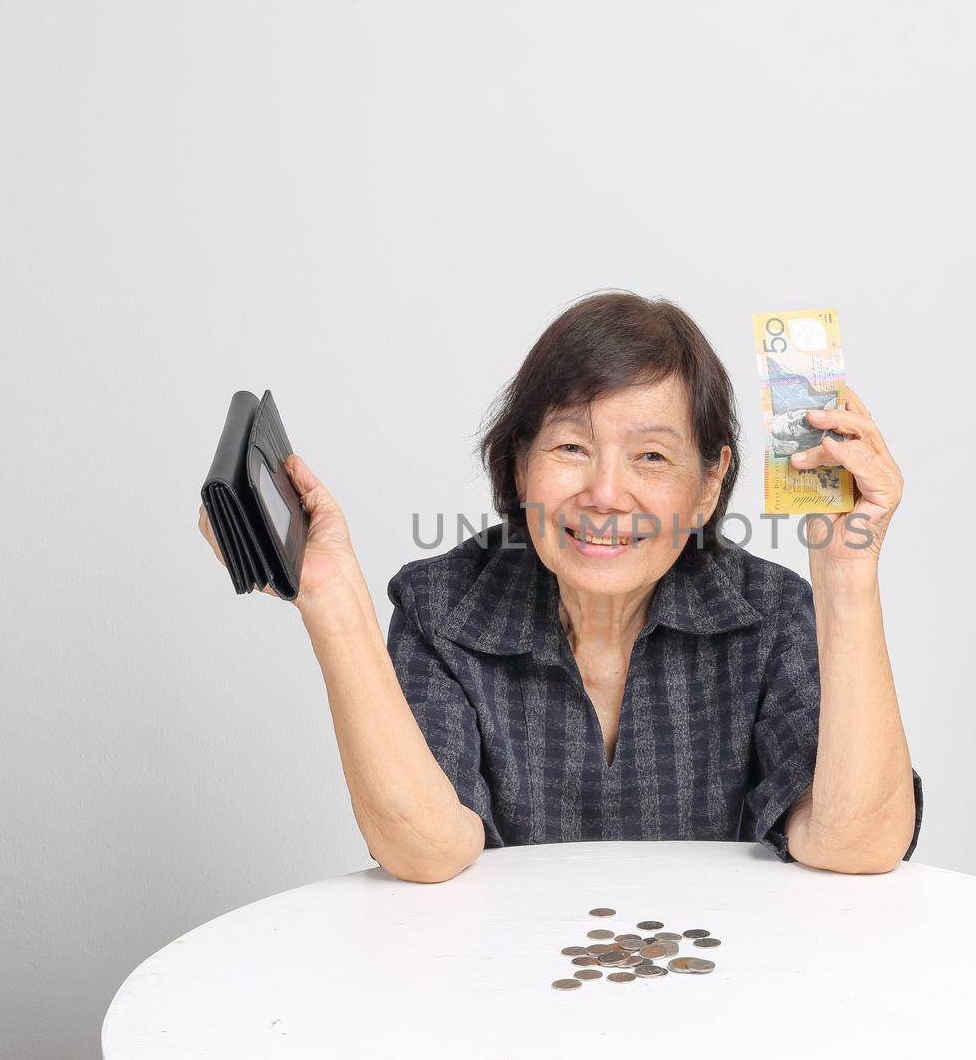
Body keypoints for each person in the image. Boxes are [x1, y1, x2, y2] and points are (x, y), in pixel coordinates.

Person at [197, 291, 922, 883]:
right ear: (519, 466)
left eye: (651, 456)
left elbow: (857, 844)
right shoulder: (443, 610)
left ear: (707, 488)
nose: (605, 493)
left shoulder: (771, 616)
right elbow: (427, 851)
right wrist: (333, 601)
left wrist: (847, 570)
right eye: (571, 447)